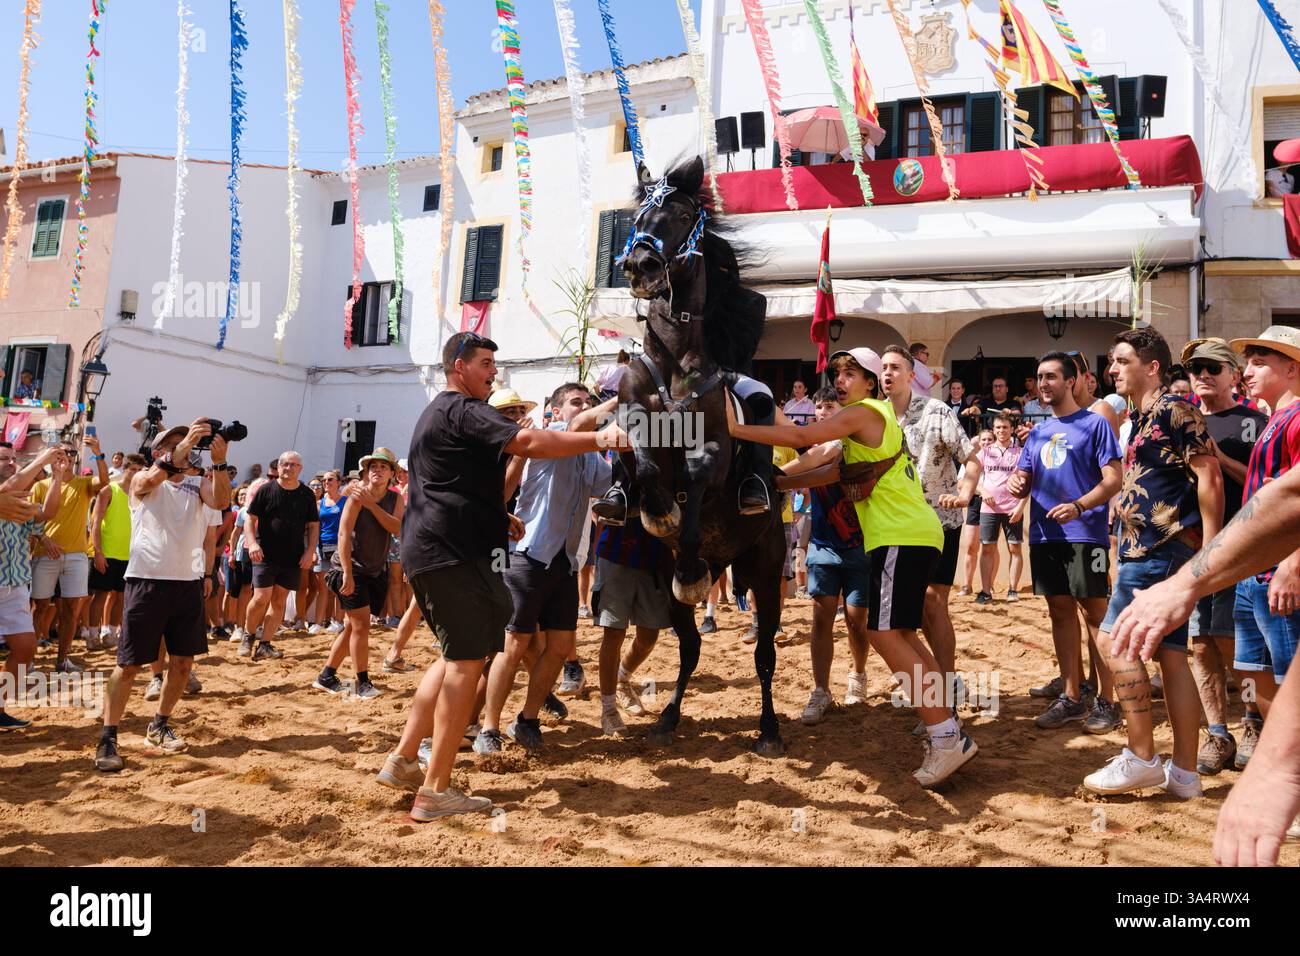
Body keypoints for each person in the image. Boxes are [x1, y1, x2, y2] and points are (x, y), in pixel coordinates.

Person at [375, 331, 626, 820]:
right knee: (467, 664)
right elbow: (530, 442)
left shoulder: (442, 413)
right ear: (457, 366)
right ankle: (435, 790)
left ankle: (405, 759)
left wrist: (495, 514)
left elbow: (448, 483)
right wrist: (600, 436)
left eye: (495, 362)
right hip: (455, 555)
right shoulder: (463, 409)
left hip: (433, 551)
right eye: (486, 362)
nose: (494, 371)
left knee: (454, 658)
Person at [728, 345, 979, 787]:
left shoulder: (866, 412)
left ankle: (946, 737)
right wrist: (784, 483)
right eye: (837, 373)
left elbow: (800, 439)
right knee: (901, 635)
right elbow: (833, 472)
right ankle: (948, 730)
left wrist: (734, 427)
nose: (841, 380)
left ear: (868, 382)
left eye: (851, 373)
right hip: (913, 534)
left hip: (901, 535)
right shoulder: (868, 424)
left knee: (883, 634)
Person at [1108, 462, 1300, 863]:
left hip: (1237, 568)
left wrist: (1278, 767)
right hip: (1235, 569)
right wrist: (1189, 583)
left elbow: (1286, 498)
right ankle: (1221, 733)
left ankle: (1245, 730)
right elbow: (1283, 500)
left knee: (1249, 660)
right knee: (1216, 654)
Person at [1081, 328, 1222, 797]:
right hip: (1151, 549)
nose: (1113, 369)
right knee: (1172, 656)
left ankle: (1142, 755)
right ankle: (1184, 774)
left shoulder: (1174, 410)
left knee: (1114, 642)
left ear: (1152, 366)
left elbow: (1210, 474)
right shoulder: (1141, 418)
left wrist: (1212, 551)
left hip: (1160, 551)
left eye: (1121, 361)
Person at [480, 382, 612, 752]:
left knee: (559, 647)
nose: (583, 407)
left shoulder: (590, 454)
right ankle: (489, 728)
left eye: (587, 402)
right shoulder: (546, 435)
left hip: (565, 561)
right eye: (575, 402)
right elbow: (577, 430)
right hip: (527, 554)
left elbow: (609, 485)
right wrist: (624, 398)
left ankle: (528, 718)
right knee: (514, 644)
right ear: (555, 411)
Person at [93, 420, 231, 771]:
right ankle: (108, 736)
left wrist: (218, 462)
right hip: (146, 581)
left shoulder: (198, 484)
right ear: (158, 451)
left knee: (183, 664)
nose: (185, 447)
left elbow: (222, 498)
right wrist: (185, 442)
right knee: (128, 666)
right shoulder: (141, 480)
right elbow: (147, 480)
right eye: (174, 443)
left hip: (185, 583)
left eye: (185, 442)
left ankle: (160, 723)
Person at [1007, 352, 1123, 732]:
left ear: (1071, 381)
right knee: (1059, 611)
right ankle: (1072, 696)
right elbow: (1024, 477)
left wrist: (1079, 506)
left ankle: (1109, 700)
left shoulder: (1095, 424)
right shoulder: (1037, 432)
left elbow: (1113, 480)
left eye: (1051, 376)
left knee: (1096, 616)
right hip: (1044, 534)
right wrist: (1016, 484)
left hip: (1084, 534)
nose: (1043, 383)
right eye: (1039, 376)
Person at [1180, 338, 1268, 774]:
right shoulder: (1180, 420)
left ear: (1234, 375)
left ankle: (1252, 720)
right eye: (1196, 368)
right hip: (1192, 551)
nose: (1203, 375)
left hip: (1241, 548)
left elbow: (1268, 485)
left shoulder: (1253, 422)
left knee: (1237, 646)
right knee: (1199, 645)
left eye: (1213, 367)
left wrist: (1218, 460)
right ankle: (1218, 733)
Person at [879, 345, 980, 710]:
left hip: (940, 523)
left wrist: (965, 493)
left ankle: (948, 686)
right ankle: (928, 690)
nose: (887, 373)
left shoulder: (937, 411)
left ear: (911, 375)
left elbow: (971, 460)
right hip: (896, 529)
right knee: (905, 614)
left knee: (934, 605)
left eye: (895, 368)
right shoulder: (876, 418)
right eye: (883, 368)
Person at [777, 386, 873, 723]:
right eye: (818, 407)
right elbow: (791, 438)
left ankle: (858, 674)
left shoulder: (853, 445)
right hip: (823, 545)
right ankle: (821, 690)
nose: (822, 412)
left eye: (829, 406)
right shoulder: (813, 446)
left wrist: (774, 479)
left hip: (862, 545)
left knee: (856, 621)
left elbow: (815, 463)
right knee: (820, 617)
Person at [1221, 327, 1300, 733]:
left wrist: (1291, 566)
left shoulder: (1299, 417)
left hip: (1279, 574)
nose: (1246, 371)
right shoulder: (1277, 418)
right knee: (1252, 670)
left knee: (1289, 680)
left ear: (1291, 368)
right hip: (1256, 574)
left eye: (1258, 362)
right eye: (1246, 363)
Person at [314, 448, 404, 699]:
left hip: (375, 569)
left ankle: (326, 675)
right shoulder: (355, 495)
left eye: (383, 467)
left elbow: (396, 527)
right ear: (366, 471)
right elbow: (343, 534)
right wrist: (347, 574)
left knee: (353, 626)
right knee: (361, 625)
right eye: (373, 466)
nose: (378, 470)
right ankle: (362, 682)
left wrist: (372, 506)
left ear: (392, 474)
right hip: (347, 567)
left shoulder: (396, 499)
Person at [31, 436, 110, 673]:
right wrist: (43, 539)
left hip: (75, 555)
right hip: (45, 553)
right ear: (53, 457)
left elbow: (105, 482)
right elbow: (32, 521)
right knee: (40, 607)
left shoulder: (83, 483)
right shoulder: (40, 486)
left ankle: (62, 661)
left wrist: (98, 452)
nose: (67, 456)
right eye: (63, 452)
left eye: (72, 453)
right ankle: (30, 661)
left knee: (70, 610)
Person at [0, 445, 63, 730]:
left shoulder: (20, 497)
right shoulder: (10, 491)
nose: (11, 463)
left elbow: (46, 514)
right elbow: (12, 484)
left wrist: (58, 477)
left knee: (25, 649)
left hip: (15, 583)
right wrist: (41, 459)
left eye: (14, 459)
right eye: (4, 459)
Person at [591, 515, 671, 735]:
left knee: (649, 637)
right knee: (614, 633)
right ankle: (608, 710)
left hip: (655, 559)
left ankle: (622, 679)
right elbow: (599, 500)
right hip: (616, 553)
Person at [240, 451, 319, 661]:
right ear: (279, 467)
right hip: (264, 554)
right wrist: (252, 543)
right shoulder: (266, 490)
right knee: (260, 598)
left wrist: (310, 551)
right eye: (285, 464)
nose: (289, 468)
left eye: (294, 465)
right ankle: (248, 636)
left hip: (293, 557)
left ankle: (265, 644)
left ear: (300, 469)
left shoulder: (307, 495)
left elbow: (313, 526)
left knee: (279, 600)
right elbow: (249, 520)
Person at [87, 453, 147, 650]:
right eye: (133, 469)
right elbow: (95, 523)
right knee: (100, 595)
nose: (136, 473)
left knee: (122, 596)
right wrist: (98, 552)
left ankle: (111, 633)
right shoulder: (108, 490)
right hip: (108, 552)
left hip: (130, 555)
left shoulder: (141, 494)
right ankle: (93, 635)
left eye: (140, 470)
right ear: (125, 469)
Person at [975, 415, 1025, 603]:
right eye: (997, 428)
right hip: (989, 508)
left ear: (1011, 429)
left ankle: (1013, 590)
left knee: (1015, 548)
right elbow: (968, 478)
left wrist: (1020, 506)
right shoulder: (985, 452)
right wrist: (982, 490)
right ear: (993, 430)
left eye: (1005, 427)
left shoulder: (1020, 452)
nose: (1001, 431)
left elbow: (1028, 482)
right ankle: (985, 591)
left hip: (1013, 508)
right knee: (987, 548)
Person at [309, 470, 345, 635]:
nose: (326, 482)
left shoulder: (346, 501)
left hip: (341, 547)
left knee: (339, 586)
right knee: (322, 587)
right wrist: (314, 550)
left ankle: (338, 621)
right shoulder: (319, 504)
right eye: (324, 480)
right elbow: (315, 528)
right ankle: (317, 623)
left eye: (330, 479)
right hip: (323, 546)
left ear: (338, 482)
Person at [958, 429, 993, 596]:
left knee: (990, 546)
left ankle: (990, 585)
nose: (986, 442)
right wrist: (981, 489)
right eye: (983, 440)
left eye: (989, 440)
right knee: (971, 546)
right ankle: (967, 585)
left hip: (993, 504)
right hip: (975, 502)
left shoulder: (1000, 459)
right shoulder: (971, 459)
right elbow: (961, 482)